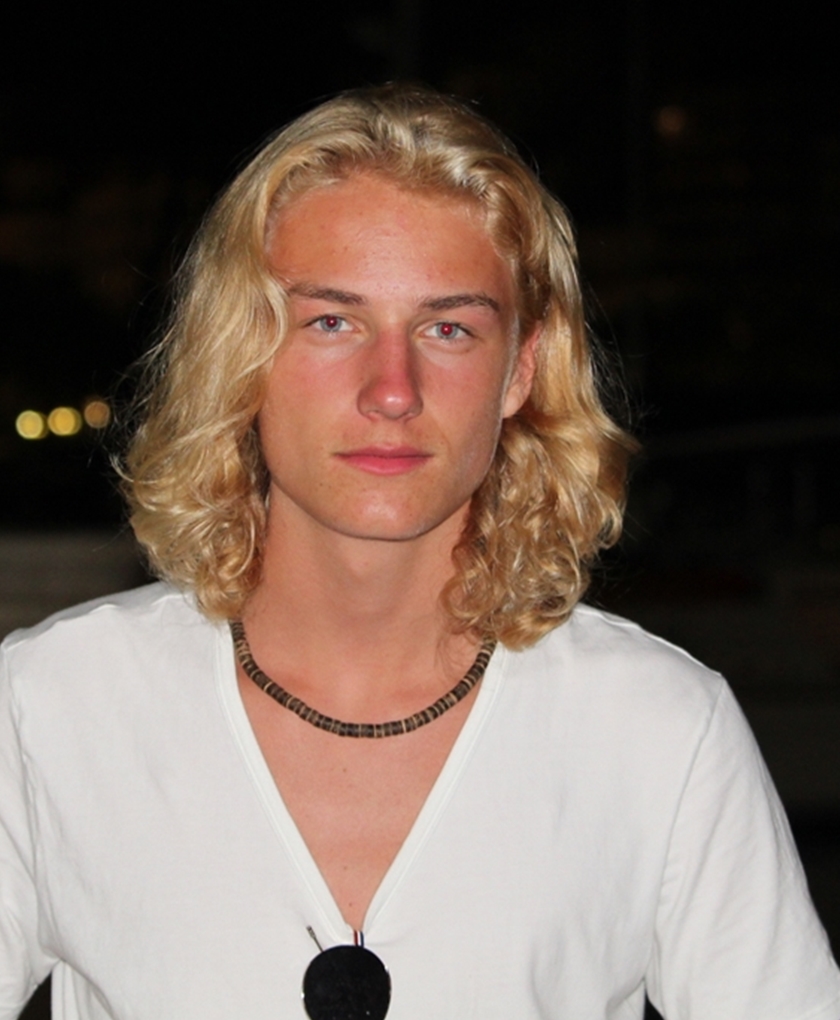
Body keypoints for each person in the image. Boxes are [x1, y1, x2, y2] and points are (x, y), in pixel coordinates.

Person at [1, 84, 838, 1020]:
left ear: (520, 369)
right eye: (332, 321)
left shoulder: (659, 730)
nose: (392, 389)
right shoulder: (51, 708)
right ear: (242, 350)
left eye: (449, 328)